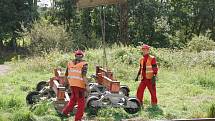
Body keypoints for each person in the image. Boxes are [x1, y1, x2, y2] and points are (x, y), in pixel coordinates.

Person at [60, 50, 90, 121]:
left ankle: (64, 112)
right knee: (81, 103)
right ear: (82, 56)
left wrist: (66, 84)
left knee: (73, 100)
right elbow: (83, 76)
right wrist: (87, 86)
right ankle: (78, 119)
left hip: (72, 85)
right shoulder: (84, 64)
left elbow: (66, 75)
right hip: (79, 86)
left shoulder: (70, 63)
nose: (79, 56)